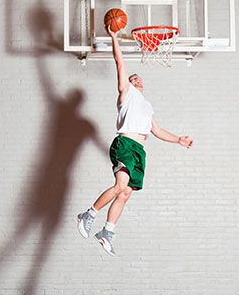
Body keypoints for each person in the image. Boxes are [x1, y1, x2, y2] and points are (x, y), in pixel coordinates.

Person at [77, 25, 193, 256]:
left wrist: (178, 139)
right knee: (120, 186)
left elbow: (157, 131)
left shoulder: (147, 106)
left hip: (139, 150)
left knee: (126, 192)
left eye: (137, 77)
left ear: (143, 84)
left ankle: (107, 232)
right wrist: (113, 38)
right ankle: (88, 214)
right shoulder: (126, 93)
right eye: (131, 77)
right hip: (125, 144)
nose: (134, 77)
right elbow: (120, 63)